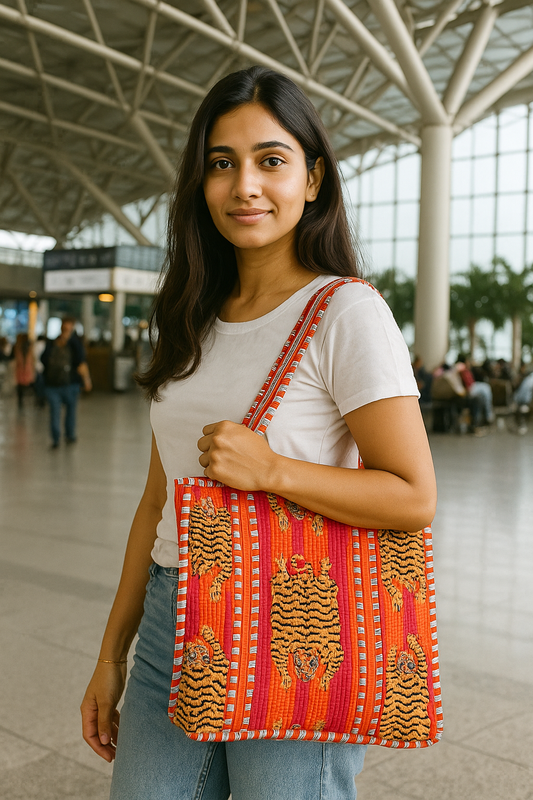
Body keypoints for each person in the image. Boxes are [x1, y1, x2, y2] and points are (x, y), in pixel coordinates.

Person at [80, 66, 437, 800]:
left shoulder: (344, 312)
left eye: (270, 161)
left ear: (311, 180)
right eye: (222, 163)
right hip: (172, 621)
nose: (244, 185)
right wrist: (112, 653)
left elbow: (411, 496)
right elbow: (157, 506)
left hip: (293, 627)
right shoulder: (192, 318)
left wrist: (273, 470)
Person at [41, 316, 92, 447]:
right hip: (68, 383)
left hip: (56, 384)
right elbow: (81, 362)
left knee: (57, 412)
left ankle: (57, 438)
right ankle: (67, 436)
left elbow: (43, 360)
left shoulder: (52, 343)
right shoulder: (75, 343)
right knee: (68, 412)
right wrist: (87, 380)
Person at [456, 354, 494, 431]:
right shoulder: (462, 369)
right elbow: (468, 385)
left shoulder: (467, 370)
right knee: (486, 388)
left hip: (472, 386)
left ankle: (487, 415)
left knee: (485, 392)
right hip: (470, 388)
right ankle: (488, 415)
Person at [13, 332, 35, 409]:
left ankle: (21, 401)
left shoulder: (19, 346)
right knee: (26, 384)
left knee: (22, 385)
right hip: (24, 367)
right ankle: (22, 401)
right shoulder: (26, 346)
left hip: (23, 367)